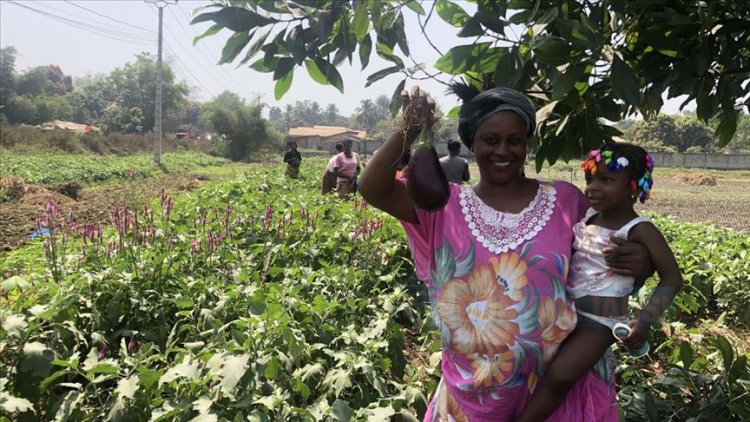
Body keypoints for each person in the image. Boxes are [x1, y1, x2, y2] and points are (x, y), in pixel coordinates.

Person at [358, 85, 653, 421]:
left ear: (526, 144)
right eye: (490, 140)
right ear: (473, 143)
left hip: (554, 398)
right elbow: (372, 188)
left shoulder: (566, 202)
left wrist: (641, 265)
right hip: (470, 399)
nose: (503, 150)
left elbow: (605, 262)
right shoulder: (443, 207)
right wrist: (409, 127)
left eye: (514, 140)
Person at [518, 143, 683, 421]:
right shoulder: (589, 218)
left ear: (633, 186)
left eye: (606, 180)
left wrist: (644, 321)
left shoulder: (640, 229)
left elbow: (672, 278)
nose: (593, 187)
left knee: (559, 378)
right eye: (590, 179)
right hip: (567, 313)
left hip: (600, 321)